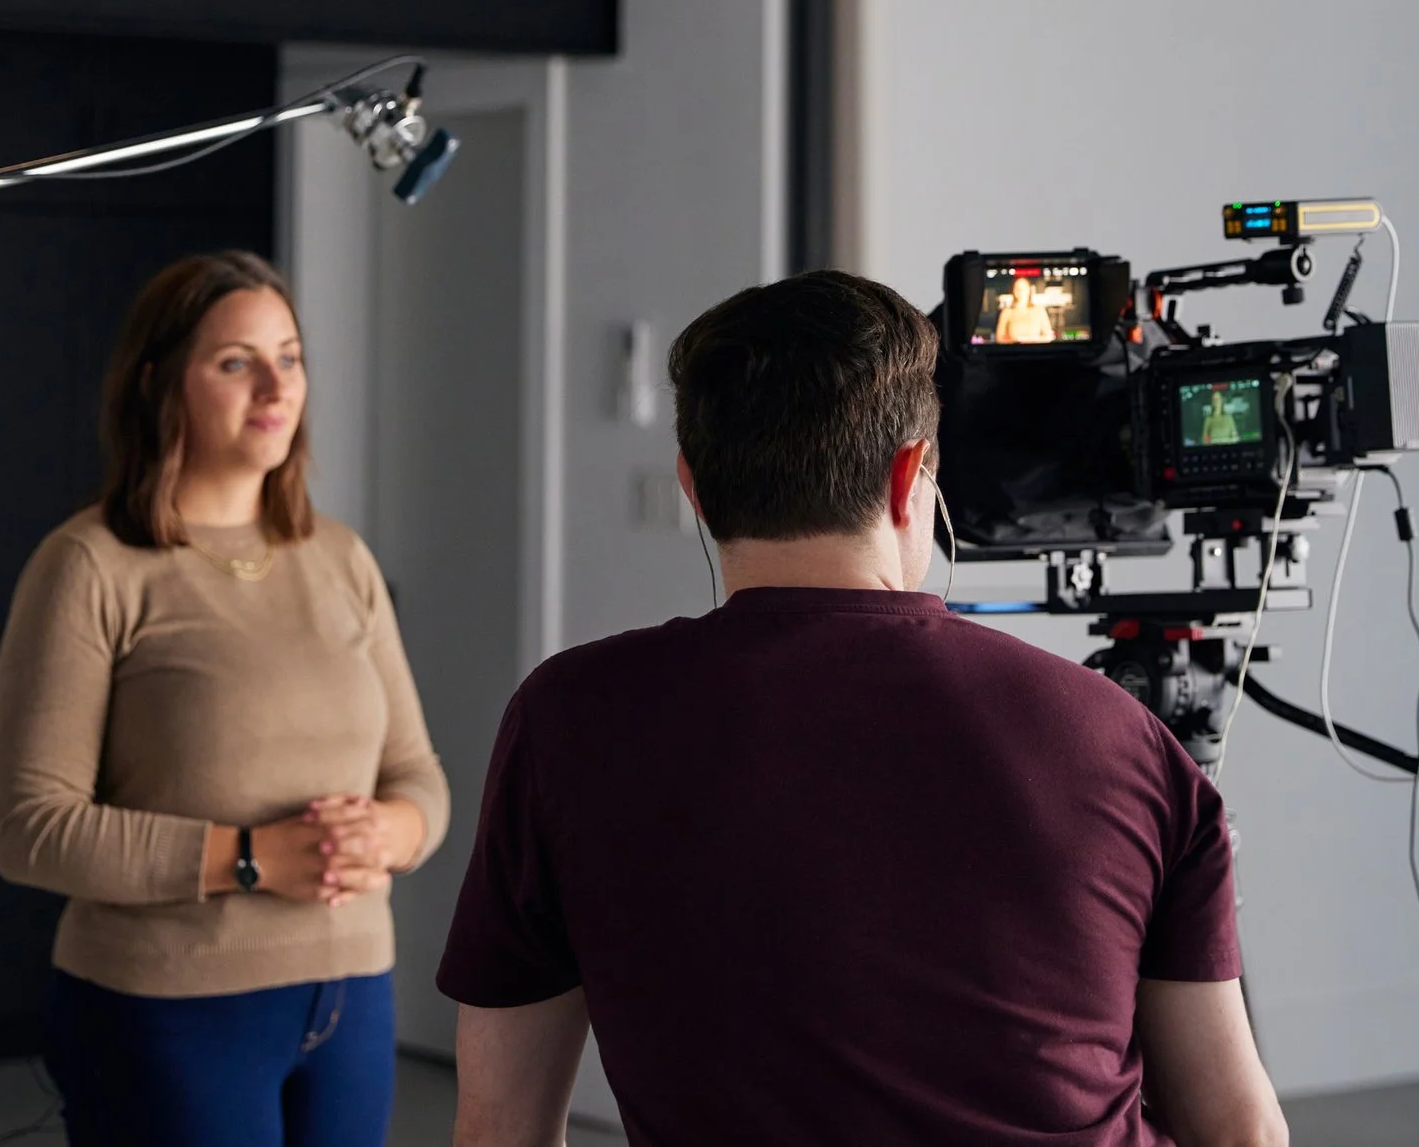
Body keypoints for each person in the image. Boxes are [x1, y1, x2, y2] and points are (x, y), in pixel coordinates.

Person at [439, 271, 1286, 1147]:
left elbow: (500, 1126)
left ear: (694, 487)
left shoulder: (570, 720)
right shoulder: (1116, 733)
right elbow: (1238, 1128)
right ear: (910, 474)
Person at [0, 250, 449, 1147]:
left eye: (291, 355)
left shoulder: (340, 559)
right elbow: (28, 826)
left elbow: (418, 772)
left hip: (353, 996)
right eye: (236, 361)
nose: (275, 384)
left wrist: (394, 832)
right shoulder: (89, 567)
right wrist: (249, 857)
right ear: (161, 384)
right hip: (166, 1010)